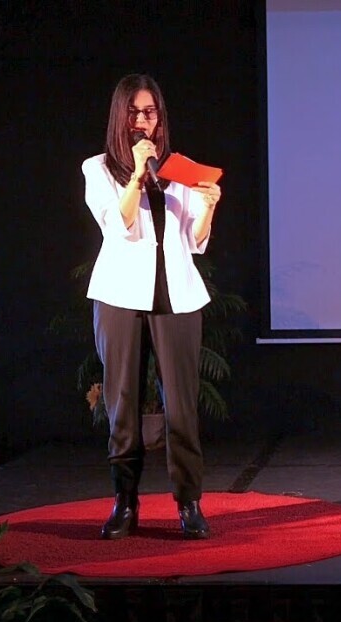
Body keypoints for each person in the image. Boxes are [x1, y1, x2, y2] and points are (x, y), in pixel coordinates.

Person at [82, 74, 221, 540]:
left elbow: (195, 242)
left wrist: (208, 207)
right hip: (120, 296)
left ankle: (189, 502)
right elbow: (117, 224)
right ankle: (125, 501)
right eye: (134, 112)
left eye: (150, 112)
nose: (143, 121)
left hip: (176, 297)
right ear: (119, 117)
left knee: (181, 405)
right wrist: (138, 175)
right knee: (122, 404)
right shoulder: (98, 169)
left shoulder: (179, 169)